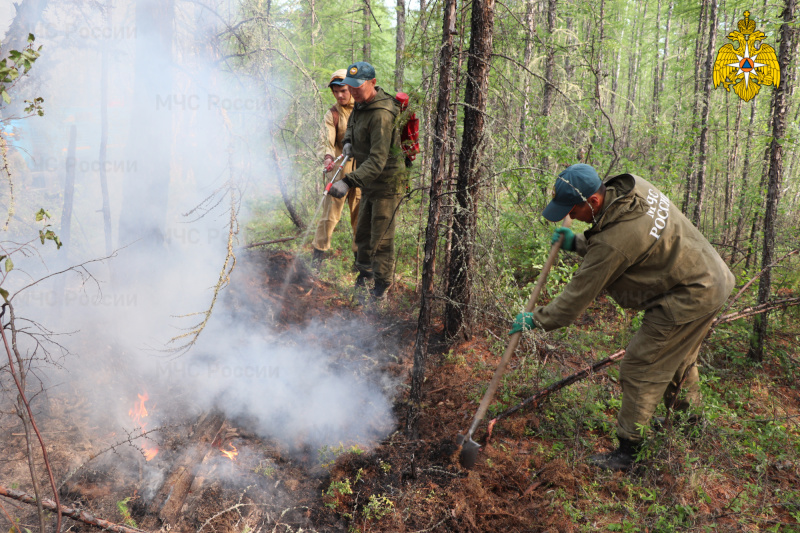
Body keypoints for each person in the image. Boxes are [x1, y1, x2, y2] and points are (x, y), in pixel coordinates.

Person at [511, 163, 735, 470]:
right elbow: (624, 238)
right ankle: (689, 422)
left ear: (594, 202)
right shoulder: (632, 189)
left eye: (573, 210)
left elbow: (573, 301)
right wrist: (577, 243)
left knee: (641, 365)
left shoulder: (613, 241)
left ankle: (630, 453)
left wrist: (535, 319)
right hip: (711, 276)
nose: (571, 216)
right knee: (678, 358)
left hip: (691, 294)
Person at [328, 62, 406, 301]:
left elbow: (378, 160)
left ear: (372, 83)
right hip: (368, 181)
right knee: (362, 233)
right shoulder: (361, 104)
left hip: (386, 183)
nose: (352, 92)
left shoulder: (382, 114)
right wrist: (349, 141)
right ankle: (364, 276)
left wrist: (348, 181)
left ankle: (380, 290)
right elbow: (352, 123)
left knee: (381, 238)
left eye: (357, 86)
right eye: (349, 86)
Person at [312, 69, 361, 268]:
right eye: (335, 91)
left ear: (351, 87)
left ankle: (361, 263)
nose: (339, 95)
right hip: (338, 170)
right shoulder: (332, 114)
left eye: (343, 90)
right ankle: (317, 259)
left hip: (361, 171)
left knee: (360, 217)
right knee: (329, 217)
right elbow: (327, 140)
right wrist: (328, 158)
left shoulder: (363, 108)